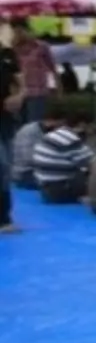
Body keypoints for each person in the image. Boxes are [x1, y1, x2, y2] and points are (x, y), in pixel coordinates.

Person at [32, 111, 93, 203]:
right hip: (60, 190)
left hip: (45, 187)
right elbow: (93, 164)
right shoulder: (71, 139)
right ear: (83, 124)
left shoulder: (52, 135)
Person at [10, 18, 56, 124]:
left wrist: (58, 87)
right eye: (16, 32)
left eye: (21, 31)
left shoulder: (41, 46)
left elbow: (52, 67)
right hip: (17, 90)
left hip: (37, 90)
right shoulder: (12, 49)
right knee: (17, 122)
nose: (18, 34)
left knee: (34, 122)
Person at [11, 106, 64, 189]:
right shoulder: (28, 131)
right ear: (50, 121)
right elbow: (28, 158)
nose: (59, 128)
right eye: (59, 125)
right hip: (25, 172)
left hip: (41, 170)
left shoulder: (49, 132)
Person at [0, 39, 20, 233]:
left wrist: (18, 96)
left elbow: (21, 83)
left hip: (5, 120)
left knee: (6, 171)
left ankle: (5, 216)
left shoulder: (7, 56)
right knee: (2, 165)